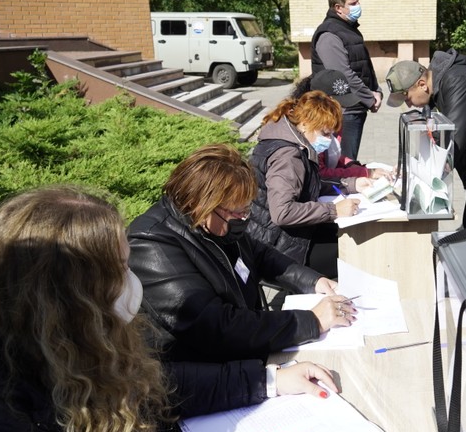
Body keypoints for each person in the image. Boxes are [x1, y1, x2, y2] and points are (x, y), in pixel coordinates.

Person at [0, 185, 328, 432]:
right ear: (67, 294)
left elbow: (154, 382)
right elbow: (217, 326)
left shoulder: (76, 339)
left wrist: (268, 380)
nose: (132, 279)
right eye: (118, 268)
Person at [128, 144, 358, 366]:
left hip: (241, 352)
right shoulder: (151, 244)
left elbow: (259, 254)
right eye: (236, 212)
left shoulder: (214, 225)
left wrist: (313, 281)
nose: (244, 220)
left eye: (246, 210)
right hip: (201, 373)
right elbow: (216, 327)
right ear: (202, 205)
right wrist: (312, 321)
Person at [248, 91, 373, 279]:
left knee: (347, 236)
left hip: (284, 236)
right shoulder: (288, 156)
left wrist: (352, 184)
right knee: (355, 251)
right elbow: (283, 212)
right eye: (325, 133)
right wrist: (333, 210)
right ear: (305, 124)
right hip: (276, 249)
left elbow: (309, 183)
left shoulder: (296, 142)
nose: (329, 140)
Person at [385, 50, 466, 228]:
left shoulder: (457, 81)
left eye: (406, 97)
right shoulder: (440, 85)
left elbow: (453, 139)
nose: (408, 104)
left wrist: (421, 173)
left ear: (422, 84)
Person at [311, 0, 382, 160]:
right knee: (343, 163)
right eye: (353, 3)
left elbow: (365, 66)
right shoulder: (329, 34)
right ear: (338, 7)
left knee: (349, 160)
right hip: (342, 110)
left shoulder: (350, 30)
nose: (358, 7)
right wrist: (369, 97)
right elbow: (343, 75)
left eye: (358, 2)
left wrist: (377, 90)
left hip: (356, 108)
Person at [291, 69, 394, 181]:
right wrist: (362, 173)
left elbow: (331, 155)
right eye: (338, 104)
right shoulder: (308, 131)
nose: (342, 110)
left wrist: (350, 164)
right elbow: (320, 173)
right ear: (319, 102)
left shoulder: (325, 123)